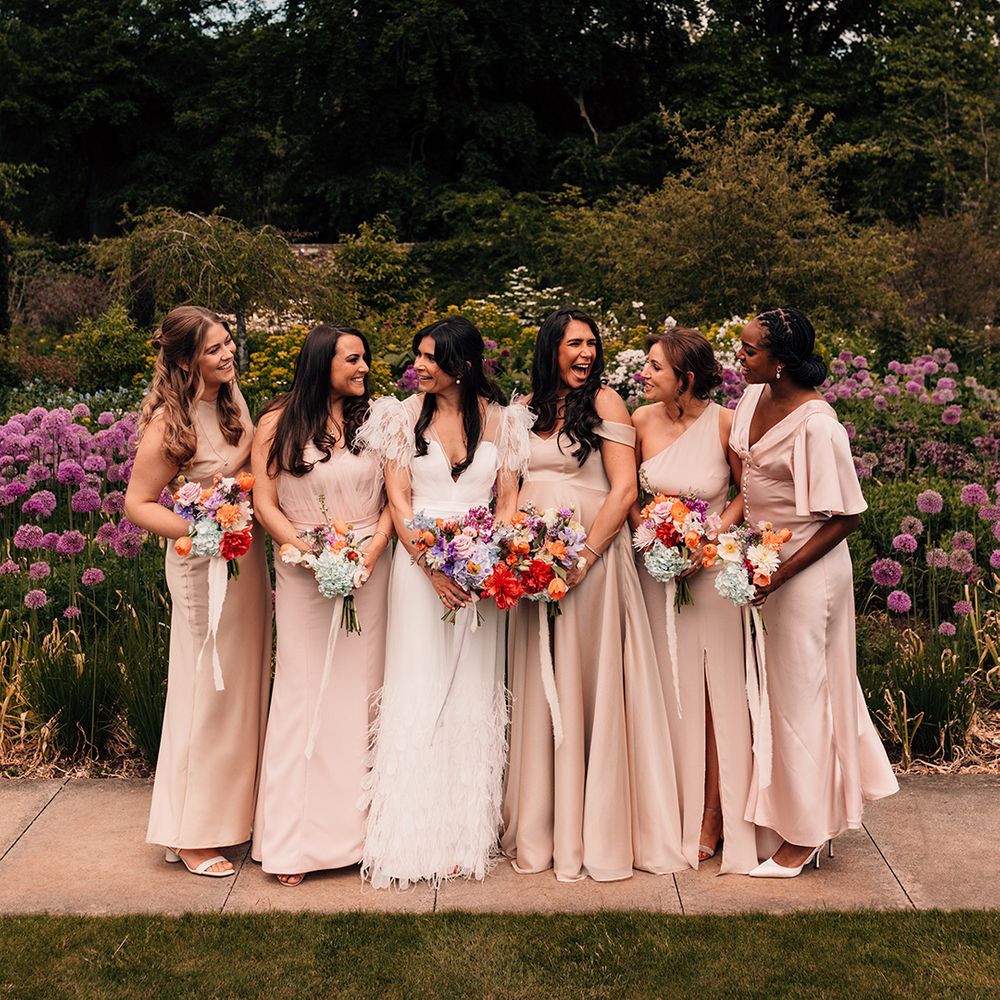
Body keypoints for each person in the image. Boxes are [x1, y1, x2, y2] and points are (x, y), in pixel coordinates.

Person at [502, 307, 686, 882]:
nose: (586, 354)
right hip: (534, 565)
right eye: (574, 344)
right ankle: (543, 826)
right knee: (544, 680)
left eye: (591, 344)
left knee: (591, 678)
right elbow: (508, 491)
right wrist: (516, 551)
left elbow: (624, 488)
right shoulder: (521, 410)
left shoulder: (605, 403)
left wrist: (582, 558)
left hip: (593, 561)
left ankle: (598, 828)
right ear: (550, 348)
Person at [358, 315, 531, 889]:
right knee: (419, 683)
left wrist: (488, 561)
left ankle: (464, 833)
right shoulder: (399, 417)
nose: (419, 365)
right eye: (419, 354)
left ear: (463, 364)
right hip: (419, 571)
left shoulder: (504, 421)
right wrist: (432, 568)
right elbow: (399, 501)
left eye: (431, 357)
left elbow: (507, 502)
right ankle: (409, 833)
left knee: (471, 689)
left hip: (480, 572)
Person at [730, 307, 898, 878]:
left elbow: (846, 517)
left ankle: (805, 837)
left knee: (805, 698)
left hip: (810, 572)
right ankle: (792, 814)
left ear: (780, 361)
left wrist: (780, 573)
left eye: (749, 350)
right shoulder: (751, 398)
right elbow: (747, 478)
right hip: (765, 562)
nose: (739, 357)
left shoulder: (818, 426)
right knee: (780, 695)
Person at [125, 305, 271, 878]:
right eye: (214, 349)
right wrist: (199, 530)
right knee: (205, 689)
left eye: (227, 342)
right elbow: (137, 505)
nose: (228, 353)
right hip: (201, 567)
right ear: (186, 361)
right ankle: (190, 834)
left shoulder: (232, 400)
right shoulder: (170, 423)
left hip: (245, 559)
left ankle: (226, 818)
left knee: (241, 686)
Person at [250, 324, 394, 887]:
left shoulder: (375, 421)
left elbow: (395, 499)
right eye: (352, 359)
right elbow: (264, 501)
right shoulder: (276, 423)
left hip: (370, 571)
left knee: (363, 695)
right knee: (304, 695)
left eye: (364, 358)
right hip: (303, 572)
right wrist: (308, 553)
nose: (364, 368)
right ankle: (296, 844)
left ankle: (361, 838)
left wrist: (370, 553)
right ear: (320, 364)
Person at [631, 327, 759, 874]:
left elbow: (745, 494)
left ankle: (713, 812)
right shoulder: (639, 421)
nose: (644, 374)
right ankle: (665, 810)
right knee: (664, 688)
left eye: (655, 367)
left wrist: (707, 537)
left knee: (712, 693)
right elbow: (629, 494)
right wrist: (651, 535)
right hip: (655, 571)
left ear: (685, 377)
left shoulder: (726, 423)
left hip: (710, 573)